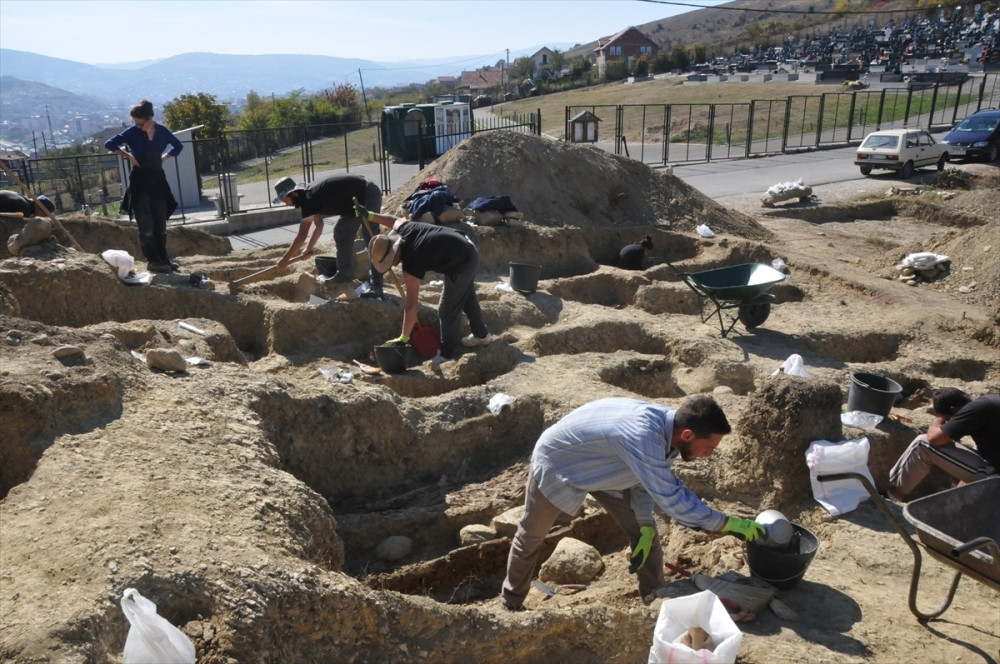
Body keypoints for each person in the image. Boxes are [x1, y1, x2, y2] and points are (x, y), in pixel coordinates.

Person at [499, 395, 766, 611]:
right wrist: (727, 524)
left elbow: (643, 481)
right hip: (561, 463)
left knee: (647, 541)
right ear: (687, 435)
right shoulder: (644, 434)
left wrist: (644, 523)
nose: (709, 455)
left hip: (610, 468)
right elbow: (671, 499)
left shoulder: (669, 430)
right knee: (531, 537)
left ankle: (655, 603)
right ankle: (510, 604)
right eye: (709, 448)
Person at [356, 201, 493, 362]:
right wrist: (370, 215)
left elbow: (411, 305)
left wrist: (404, 337)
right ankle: (482, 335)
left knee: (446, 310)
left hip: (463, 261)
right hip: (463, 246)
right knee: (466, 297)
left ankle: (446, 354)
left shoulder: (413, 262)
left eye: (390, 261)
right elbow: (393, 220)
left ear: (394, 253)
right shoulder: (406, 229)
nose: (393, 265)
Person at [104, 100, 183, 273]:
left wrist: (165, 157)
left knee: (160, 222)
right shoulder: (132, 132)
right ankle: (153, 261)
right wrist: (129, 156)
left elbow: (178, 146)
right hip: (140, 181)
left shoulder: (162, 132)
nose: (138, 126)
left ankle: (164, 259)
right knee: (146, 224)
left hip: (158, 180)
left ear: (150, 118)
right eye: (136, 123)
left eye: (140, 122)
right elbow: (109, 144)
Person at [273, 174, 383, 299]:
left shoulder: (309, 198)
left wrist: (285, 259)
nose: (285, 204)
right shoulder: (307, 197)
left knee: (371, 237)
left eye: (284, 200)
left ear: (293, 194)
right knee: (341, 232)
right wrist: (308, 249)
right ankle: (344, 275)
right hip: (351, 204)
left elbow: (302, 235)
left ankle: (377, 285)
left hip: (367, 193)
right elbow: (319, 225)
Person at [887, 389, 999, 502]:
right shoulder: (992, 401)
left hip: (995, 479)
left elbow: (934, 439)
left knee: (923, 444)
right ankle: (956, 506)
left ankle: (894, 496)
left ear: (954, 409)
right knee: (976, 452)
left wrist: (939, 419)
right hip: (993, 472)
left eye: (949, 419)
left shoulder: (975, 409)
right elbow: (977, 457)